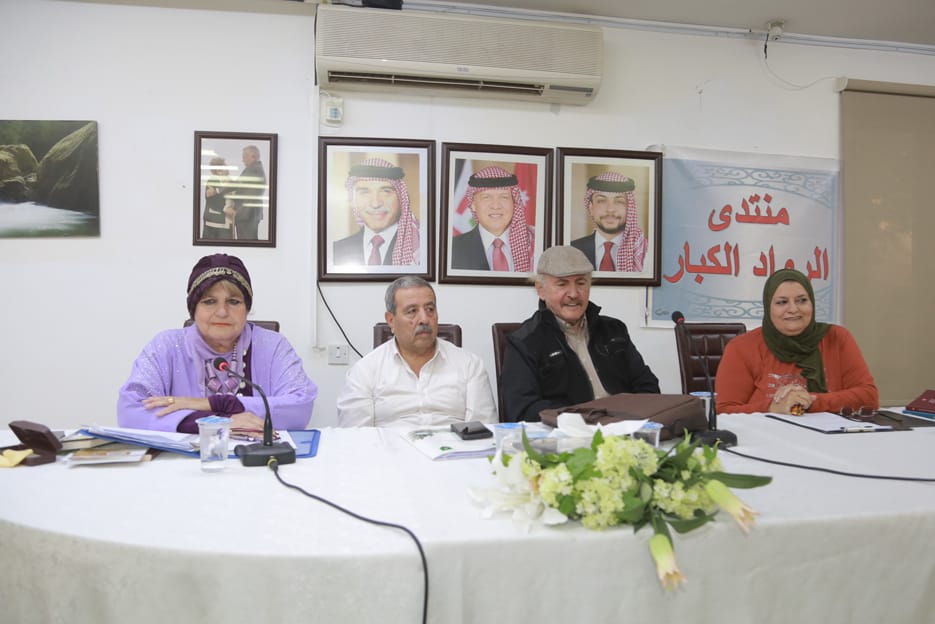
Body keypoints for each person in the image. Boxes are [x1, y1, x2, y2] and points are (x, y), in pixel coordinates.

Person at [117, 253, 317, 433]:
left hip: (257, 458)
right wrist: (221, 421)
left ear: (247, 309)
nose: (222, 312)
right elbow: (130, 411)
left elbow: (299, 408)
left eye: (233, 302)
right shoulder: (166, 346)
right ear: (193, 309)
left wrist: (208, 404)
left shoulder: (273, 346)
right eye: (210, 301)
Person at [501, 246, 660, 422]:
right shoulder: (524, 342)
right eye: (562, 284)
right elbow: (523, 410)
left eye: (581, 283)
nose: (574, 294)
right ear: (541, 290)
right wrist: (586, 418)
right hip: (569, 433)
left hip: (625, 426)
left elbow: (649, 388)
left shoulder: (614, 330)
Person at [336, 276, 497, 427]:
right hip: (390, 447)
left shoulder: (470, 365)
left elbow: (484, 430)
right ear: (391, 320)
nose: (424, 319)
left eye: (430, 309)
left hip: (454, 447)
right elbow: (355, 436)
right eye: (412, 311)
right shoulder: (364, 371)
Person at [715, 268, 879, 414]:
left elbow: (869, 397)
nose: (793, 309)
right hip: (766, 437)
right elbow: (723, 411)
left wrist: (810, 401)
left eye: (802, 300)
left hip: (829, 436)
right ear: (768, 307)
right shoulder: (742, 348)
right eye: (782, 302)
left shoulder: (836, 338)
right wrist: (772, 407)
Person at [333, 158, 420, 266]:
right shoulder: (335, 251)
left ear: (401, 198)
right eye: (364, 192)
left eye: (386, 191)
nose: (375, 203)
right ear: (353, 200)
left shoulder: (420, 249)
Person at [450, 165, 535, 272]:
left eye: (504, 197)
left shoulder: (535, 243)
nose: (496, 206)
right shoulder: (453, 249)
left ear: (514, 203)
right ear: (473, 205)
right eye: (486, 197)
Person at [570, 172, 648, 272]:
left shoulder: (645, 252)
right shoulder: (572, 250)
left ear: (629, 208)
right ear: (591, 208)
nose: (610, 209)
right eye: (601, 201)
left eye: (619, 201)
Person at [230, 145, 267, 240]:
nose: (243, 160)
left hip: (246, 214)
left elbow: (238, 186)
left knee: (246, 242)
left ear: (253, 156)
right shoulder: (256, 169)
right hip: (249, 214)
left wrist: (218, 190)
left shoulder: (253, 170)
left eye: (244, 157)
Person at [201, 156, 234, 240]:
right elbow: (213, 201)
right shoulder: (213, 180)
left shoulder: (231, 181)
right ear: (218, 170)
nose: (227, 168)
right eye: (225, 166)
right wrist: (225, 209)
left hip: (227, 222)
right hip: (214, 223)